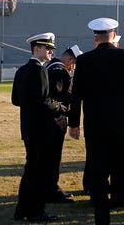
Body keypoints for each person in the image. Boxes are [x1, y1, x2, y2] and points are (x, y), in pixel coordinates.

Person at [68, 18, 124, 225]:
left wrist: (73, 123)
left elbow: (76, 94)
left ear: (95, 37)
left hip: (97, 128)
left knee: (98, 177)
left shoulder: (84, 61)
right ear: (113, 36)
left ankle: (102, 220)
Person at [12, 32, 67, 222]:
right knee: (40, 172)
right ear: (37, 48)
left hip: (28, 128)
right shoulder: (40, 70)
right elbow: (44, 101)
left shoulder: (21, 71)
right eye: (48, 48)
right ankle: (36, 211)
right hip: (42, 130)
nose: (51, 51)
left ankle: (22, 210)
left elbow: (15, 100)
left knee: (30, 170)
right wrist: (59, 106)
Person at [44, 44, 82, 204]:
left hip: (46, 122)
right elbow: (54, 97)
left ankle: (49, 188)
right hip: (53, 123)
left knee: (49, 157)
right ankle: (51, 191)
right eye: (73, 64)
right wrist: (58, 116)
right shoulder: (60, 71)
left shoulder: (50, 66)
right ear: (70, 59)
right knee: (53, 157)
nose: (73, 69)